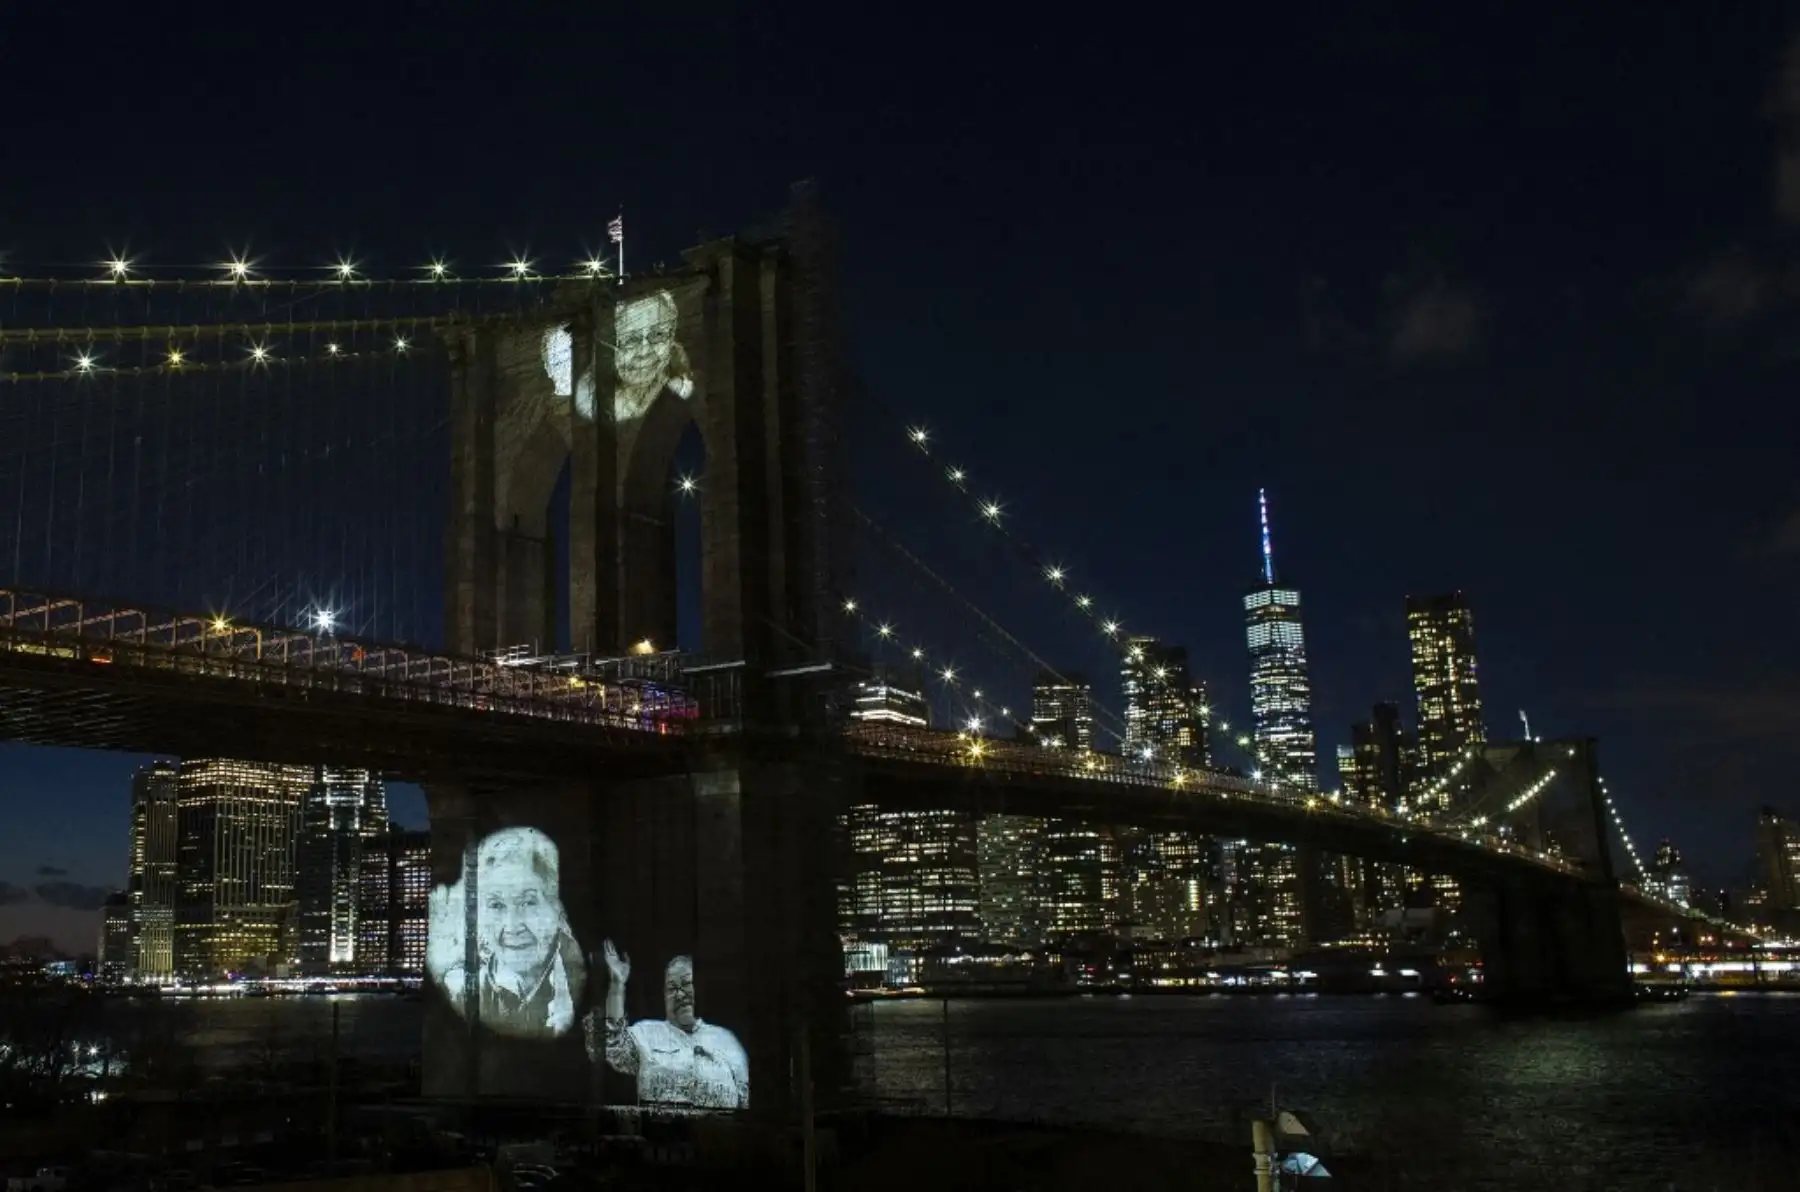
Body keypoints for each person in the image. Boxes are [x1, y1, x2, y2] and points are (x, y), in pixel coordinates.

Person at [426, 826, 583, 1039]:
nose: (512, 926)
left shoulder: (583, 981)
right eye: (496, 905)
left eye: (528, 902)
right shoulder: (466, 993)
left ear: (555, 907)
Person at [587, 940, 748, 1109]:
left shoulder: (727, 1041)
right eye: (672, 988)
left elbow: (745, 1101)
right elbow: (610, 1044)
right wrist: (616, 986)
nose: (679, 994)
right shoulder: (646, 1033)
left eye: (686, 984)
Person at [611, 290, 693, 422]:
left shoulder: (685, 393)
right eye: (631, 339)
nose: (644, 352)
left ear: (671, 338)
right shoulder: (599, 406)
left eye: (657, 335)